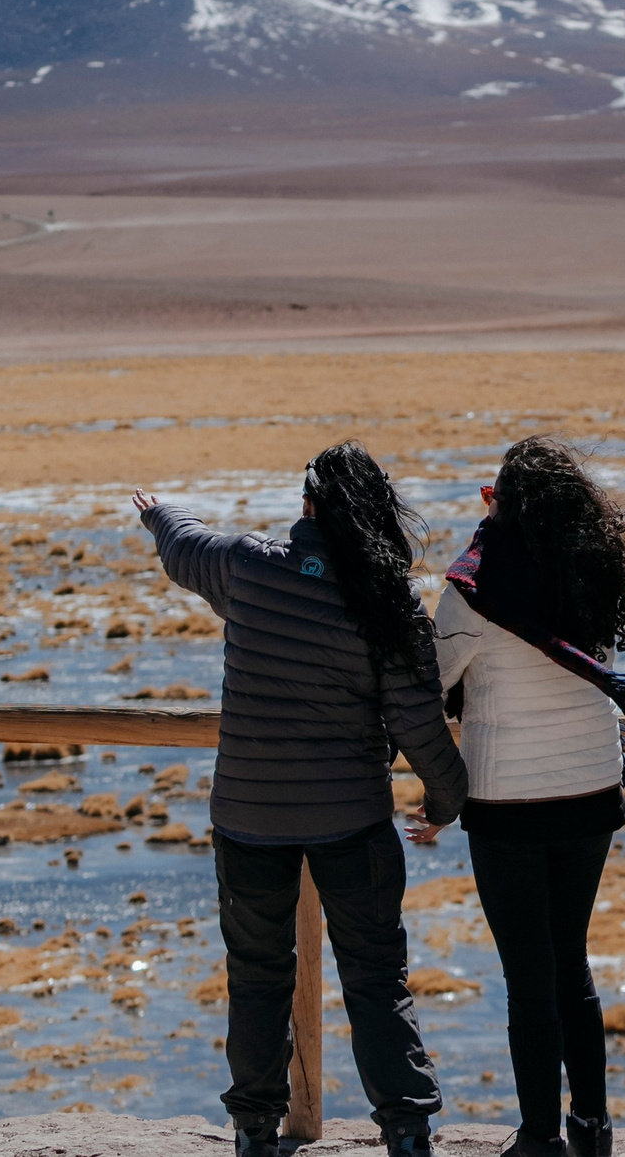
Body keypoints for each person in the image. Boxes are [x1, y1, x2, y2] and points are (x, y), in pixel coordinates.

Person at [133, 443, 467, 1157]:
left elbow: (184, 548)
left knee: (256, 975)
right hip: (353, 820)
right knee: (375, 976)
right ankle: (407, 1131)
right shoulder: (387, 598)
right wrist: (447, 799)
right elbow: (418, 722)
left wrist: (159, 512)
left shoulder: (248, 566)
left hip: (249, 817)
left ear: (308, 504)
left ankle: (255, 1130)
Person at [414, 437, 625, 1157]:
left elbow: (432, 676)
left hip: (509, 802)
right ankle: (592, 1127)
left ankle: (538, 1137)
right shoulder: (592, 568)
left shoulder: (474, 582)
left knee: (528, 976)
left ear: (502, 502)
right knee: (570, 961)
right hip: (591, 788)